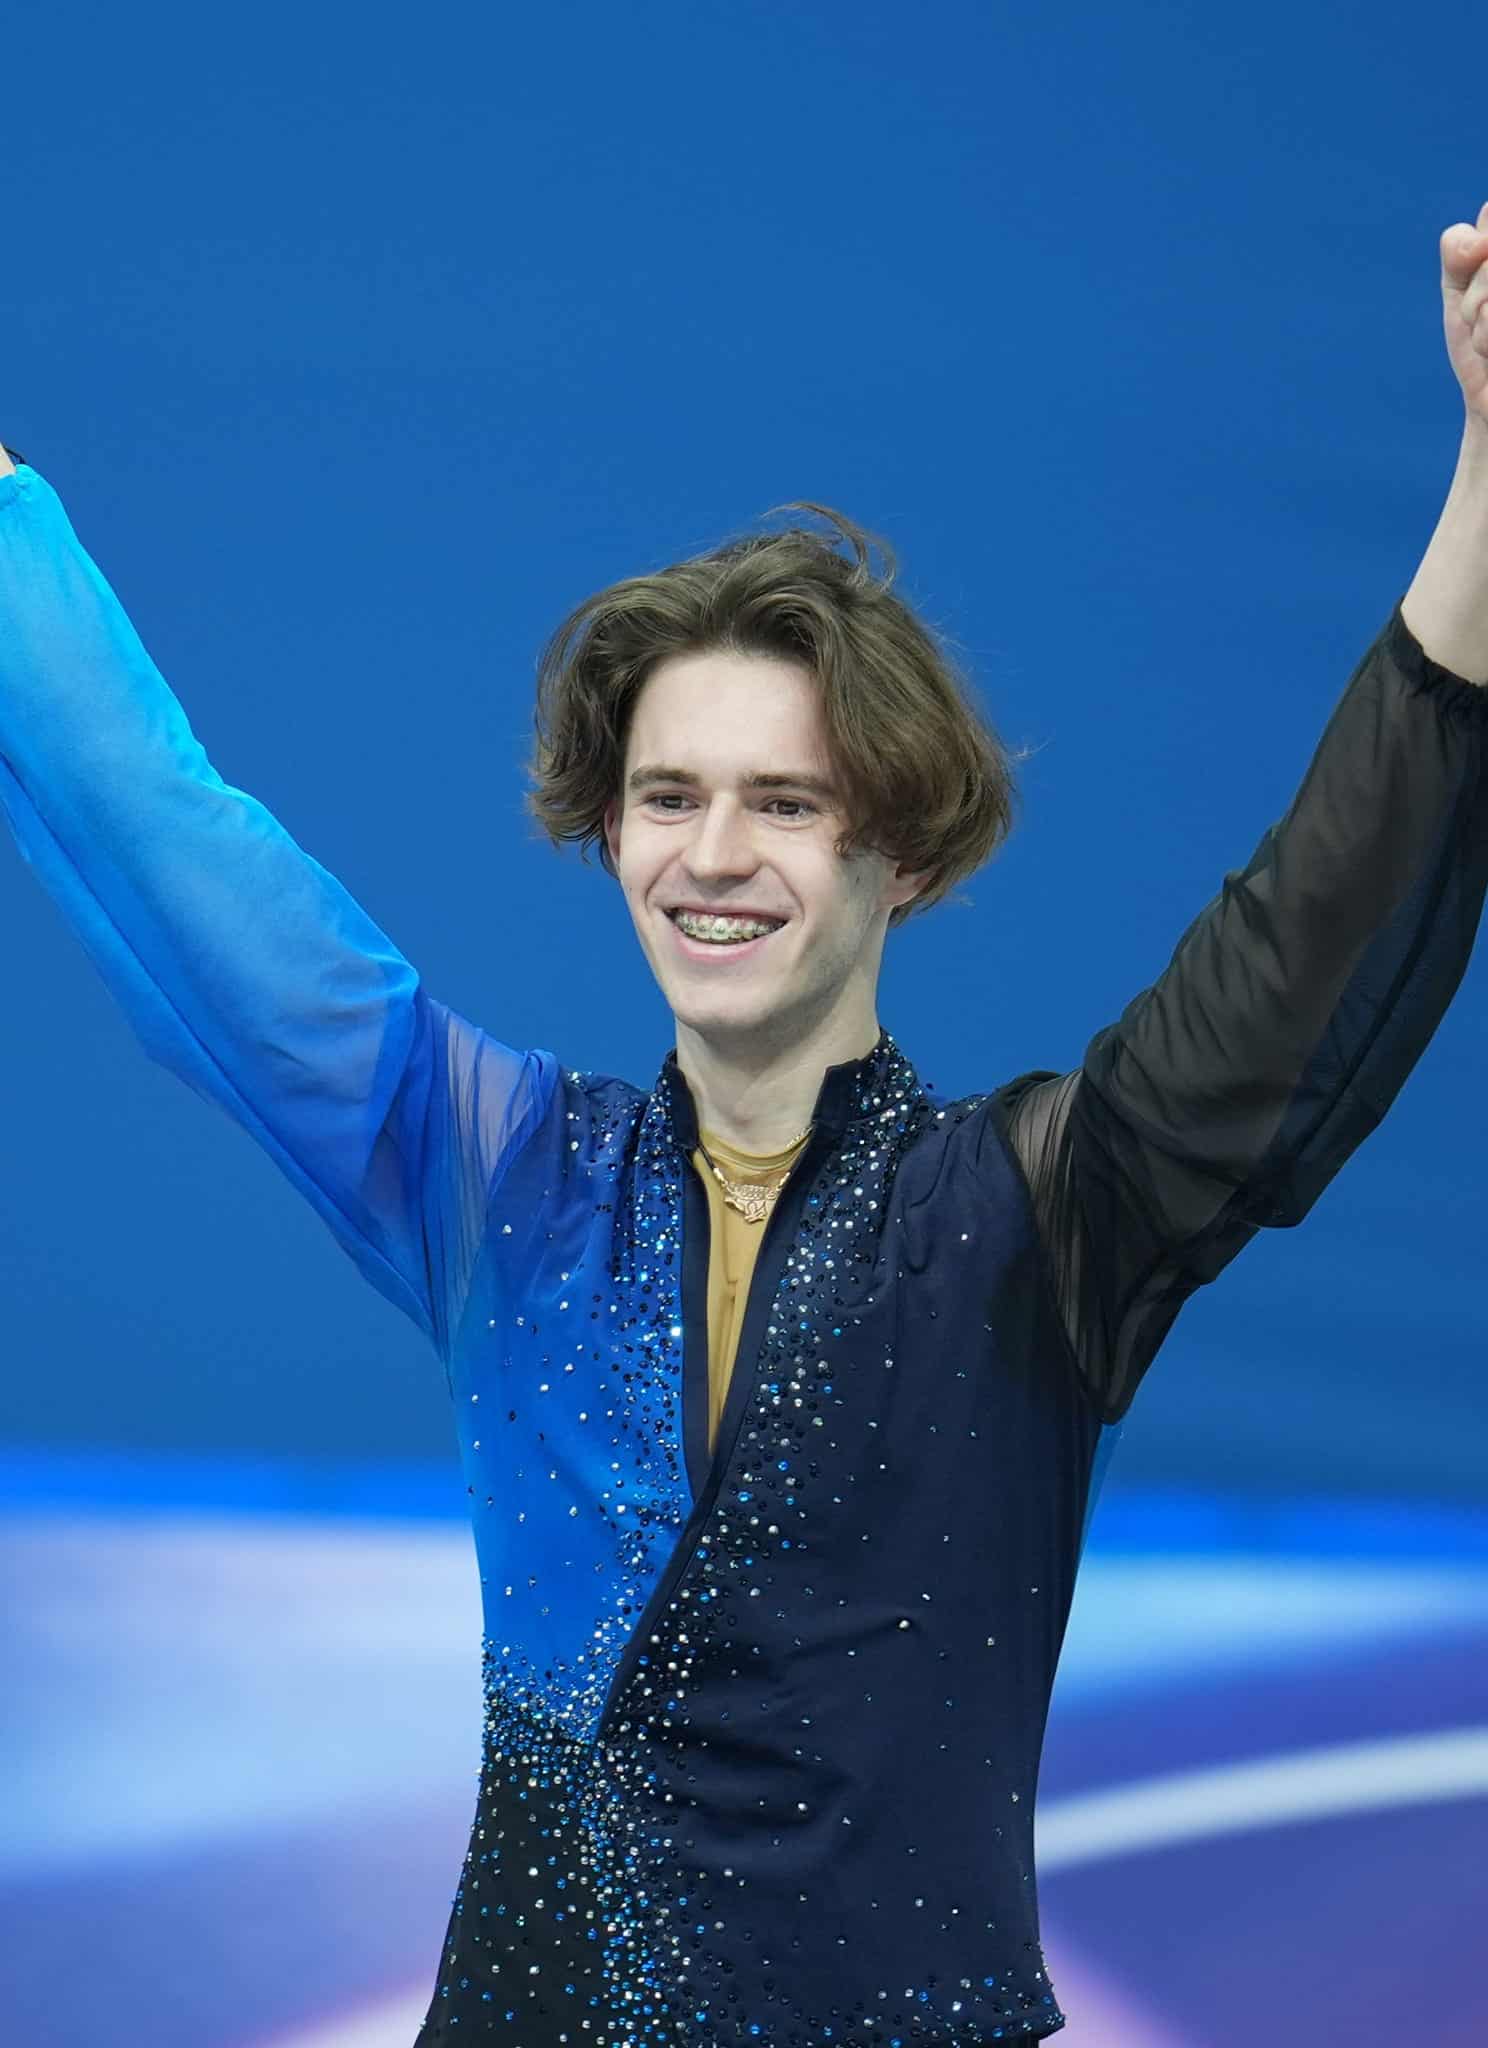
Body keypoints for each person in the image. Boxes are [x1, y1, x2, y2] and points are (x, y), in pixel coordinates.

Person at [4, 204, 1488, 2045]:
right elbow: (181, 863)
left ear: (902, 854)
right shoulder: (500, 1178)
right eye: (668, 797)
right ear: (608, 831)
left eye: (786, 802)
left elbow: (1319, 928)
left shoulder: (1042, 1210)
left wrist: (1483, 480)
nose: (713, 856)